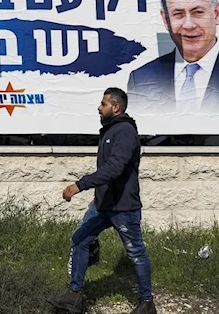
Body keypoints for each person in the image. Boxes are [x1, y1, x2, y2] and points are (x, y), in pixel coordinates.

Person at [46, 88, 156, 314]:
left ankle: (147, 303)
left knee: (135, 252)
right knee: (80, 239)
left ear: (115, 107)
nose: (99, 107)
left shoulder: (124, 132)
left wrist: (80, 185)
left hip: (123, 207)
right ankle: (74, 296)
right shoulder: (111, 130)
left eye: (103, 103)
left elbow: (115, 168)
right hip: (102, 205)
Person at [127, 0, 219, 114]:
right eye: (178, 14)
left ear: (217, 13)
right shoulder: (141, 79)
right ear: (165, 20)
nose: (188, 25)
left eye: (198, 12)